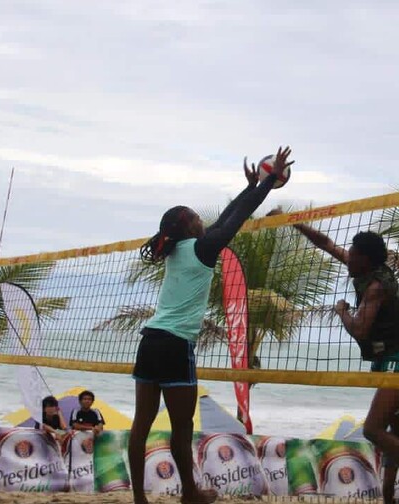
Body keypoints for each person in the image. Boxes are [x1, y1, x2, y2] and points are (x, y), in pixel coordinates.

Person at [129, 147, 293, 504]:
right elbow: (237, 218)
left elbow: (226, 218)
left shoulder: (180, 249)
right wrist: (267, 181)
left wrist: (250, 186)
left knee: (141, 424)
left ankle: (140, 499)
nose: (202, 220)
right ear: (190, 226)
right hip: (175, 345)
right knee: (181, 427)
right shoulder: (203, 248)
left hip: (150, 340)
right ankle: (190, 493)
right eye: (195, 217)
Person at [277, 216, 399, 504]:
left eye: (353, 254)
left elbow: (359, 329)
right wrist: (296, 223)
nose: (348, 257)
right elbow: (326, 243)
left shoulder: (376, 287)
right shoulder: (366, 269)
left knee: (373, 429)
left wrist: (342, 311)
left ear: (365, 260)